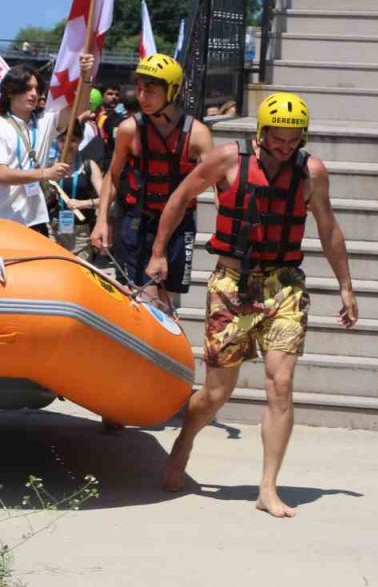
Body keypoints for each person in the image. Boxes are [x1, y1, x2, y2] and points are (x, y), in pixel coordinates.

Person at [146, 91, 358, 518]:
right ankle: (185, 441)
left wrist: (346, 287)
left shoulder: (311, 172)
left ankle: (267, 487)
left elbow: (329, 228)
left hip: (284, 285)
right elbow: (179, 198)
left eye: (292, 141)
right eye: (276, 140)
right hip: (232, 283)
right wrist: (158, 251)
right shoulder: (227, 160)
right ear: (261, 133)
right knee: (217, 392)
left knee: (280, 385)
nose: (284, 149)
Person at [92, 54, 213, 305]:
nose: (142, 97)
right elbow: (113, 177)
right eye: (139, 89)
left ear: (172, 91)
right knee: (138, 299)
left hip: (178, 225)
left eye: (151, 90)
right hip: (137, 221)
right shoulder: (129, 129)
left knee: (167, 302)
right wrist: (102, 220)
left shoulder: (198, 134)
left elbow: (220, 186)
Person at [0, 62, 78, 236]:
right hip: (0, 219)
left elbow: (75, 108)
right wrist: (46, 173)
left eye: (37, 89)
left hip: (35, 220)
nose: (34, 94)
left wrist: (85, 77)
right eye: (27, 89)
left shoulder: (43, 122)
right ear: (10, 92)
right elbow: (2, 175)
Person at [52, 124, 105, 262]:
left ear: (80, 140)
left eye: (73, 140)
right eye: (63, 139)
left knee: (81, 272)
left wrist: (83, 204)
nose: (67, 144)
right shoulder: (50, 166)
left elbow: (105, 199)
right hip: (54, 229)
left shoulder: (89, 166)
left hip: (82, 232)